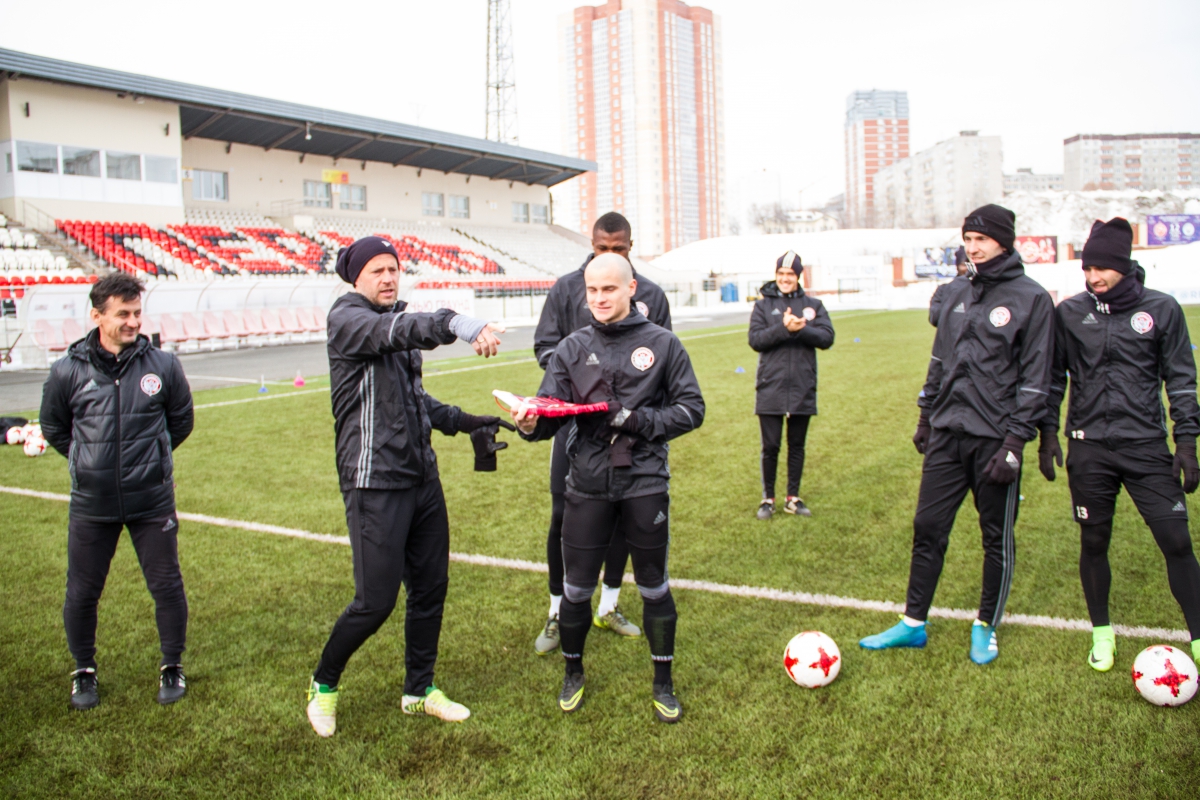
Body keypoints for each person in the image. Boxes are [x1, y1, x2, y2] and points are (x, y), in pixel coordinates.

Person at [305, 236, 508, 738]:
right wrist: (456, 323)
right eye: (377, 270)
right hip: (374, 482)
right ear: (356, 277)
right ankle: (323, 683)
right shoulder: (350, 320)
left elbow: (415, 399)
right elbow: (400, 330)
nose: (388, 277)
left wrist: (465, 422)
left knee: (430, 589)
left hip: (421, 478)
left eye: (393, 268)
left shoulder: (392, 321)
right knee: (374, 603)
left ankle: (419, 690)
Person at [512, 253, 704, 722]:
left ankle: (663, 683)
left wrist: (635, 420)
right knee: (576, 590)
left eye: (609, 289)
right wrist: (529, 423)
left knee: (654, 587)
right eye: (592, 290)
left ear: (631, 289)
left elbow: (691, 410)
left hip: (644, 482)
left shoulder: (663, 343)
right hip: (587, 484)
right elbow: (550, 414)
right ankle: (573, 673)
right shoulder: (571, 348)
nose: (599, 298)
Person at [859, 204, 1055, 665]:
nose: (973, 247)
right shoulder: (956, 292)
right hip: (948, 431)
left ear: (1004, 241)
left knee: (995, 536)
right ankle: (913, 623)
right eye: (968, 239)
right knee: (927, 527)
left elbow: (1037, 379)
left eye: (981, 239)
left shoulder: (1032, 298)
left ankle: (986, 625)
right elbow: (940, 360)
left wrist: (1015, 443)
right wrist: (926, 416)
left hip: (996, 439)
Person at [1040, 217, 1200, 670]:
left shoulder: (1163, 309)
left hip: (1146, 446)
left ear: (1125, 266)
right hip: (1088, 448)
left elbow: (1181, 380)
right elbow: (1053, 379)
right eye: (1087, 268)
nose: (1093, 277)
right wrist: (1048, 434)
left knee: (1176, 541)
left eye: (1102, 268)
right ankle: (1103, 634)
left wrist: (1187, 442)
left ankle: (1199, 638)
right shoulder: (1070, 312)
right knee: (1094, 541)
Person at [39, 272, 195, 710]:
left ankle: (172, 665)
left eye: (137, 313)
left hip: (151, 500)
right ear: (97, 316)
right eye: (123, 313)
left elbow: (181, 421)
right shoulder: (67, 370)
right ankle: (83, 671)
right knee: (82, 592)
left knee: (166, 586)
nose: (133, 322)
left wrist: (151, 460)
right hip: (93, 502)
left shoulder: (163, 365)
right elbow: (54, 426)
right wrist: (89, 462)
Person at [530, 211, 673, 655]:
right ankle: (557, 610)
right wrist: (581, 375)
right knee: (563, 516)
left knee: (625, 518)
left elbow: (665, 363)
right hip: (576, 428)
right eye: (602, 249)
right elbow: (545, 346)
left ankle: (608, 605)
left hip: (632, 433)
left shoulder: (651, 294)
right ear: (591, 246)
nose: (610, 255)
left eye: (619, 249)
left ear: (630, 249)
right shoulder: (566, 289)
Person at [748, 251, 835, 520]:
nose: (785, 279)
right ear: (776, 275)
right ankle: (768, 499)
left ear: (799, 276)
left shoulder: (814, 305)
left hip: (802, 386)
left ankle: (793, 498)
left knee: (797, 445)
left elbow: (827, 338)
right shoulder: (762, 306)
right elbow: (755, 340)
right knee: (770, 446)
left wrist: (801, 329)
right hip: (770, 386)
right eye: (781, 274)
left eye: (790, 274)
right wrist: (784, 328)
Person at [928, 246, 969, 326]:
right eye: (964, 265)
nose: (968, 268)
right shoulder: (944, 290)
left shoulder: (983, 289)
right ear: (957, 266)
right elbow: (934, 318)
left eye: (971, 264)